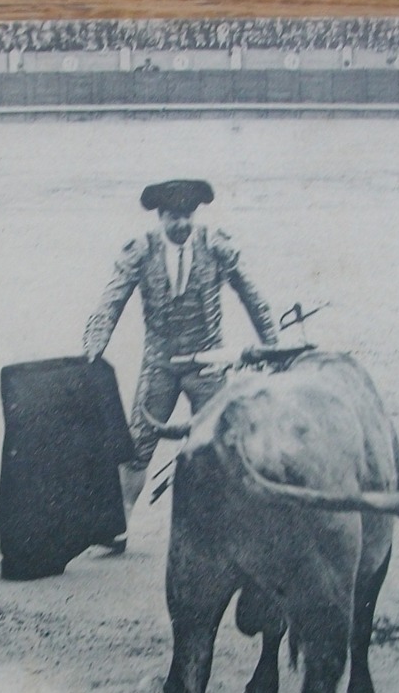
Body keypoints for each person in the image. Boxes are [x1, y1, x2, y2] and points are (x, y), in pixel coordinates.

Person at [83, 179, 279, 543]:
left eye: (188, 216)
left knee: (221, 444)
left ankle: (229, 524)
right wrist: (95, 346)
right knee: (138, 443)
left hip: (208, 362)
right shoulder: (141, 252)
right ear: (160, 217)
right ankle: (119, 523)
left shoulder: (216, 246)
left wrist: (272, 345)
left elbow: (253, 297)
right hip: (160, 362)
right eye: (174, 217)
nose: (182, 224)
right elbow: (111, 301)